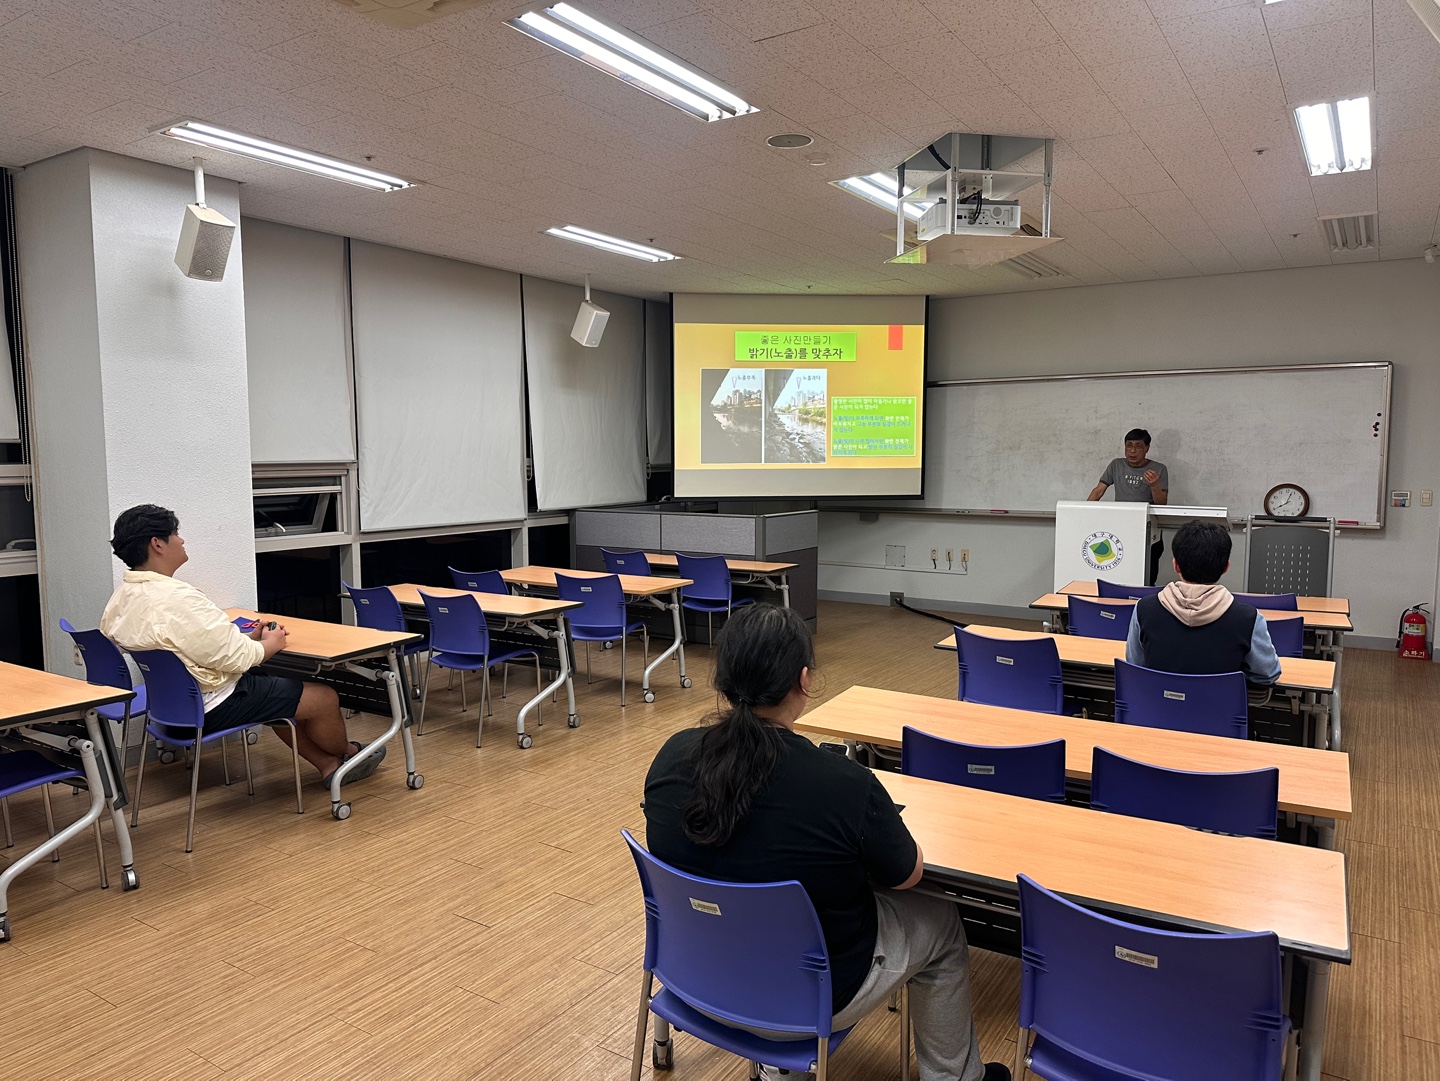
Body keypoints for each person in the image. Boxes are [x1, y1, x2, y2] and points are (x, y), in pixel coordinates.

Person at [643, 604, 1008, 1081]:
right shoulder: (843, 785)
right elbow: (907, 875)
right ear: (804, 679)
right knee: (939, 917)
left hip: (692, 980)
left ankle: (776, 1070)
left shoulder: (670, 756)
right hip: (807, 1004)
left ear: (724, 678)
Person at [101, 504, 383, 787]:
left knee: (276, 688)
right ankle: (350, 754)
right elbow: (238, 659)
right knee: (324, 698)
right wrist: (270, 643)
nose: (182, 540)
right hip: (213, 707)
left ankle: (328, 765)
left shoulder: (122, 598)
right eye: (175, 534)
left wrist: (244, 639)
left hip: (170, 711)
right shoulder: (180, 599)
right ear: (157, 544)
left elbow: (181, 647)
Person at [1125, 520, 1282, 684]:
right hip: (1220, 701)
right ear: (1226, 567)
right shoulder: (1249, 618)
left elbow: (1135, 666)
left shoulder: (1143, 609)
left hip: (1157, 700)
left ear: (1175, 565)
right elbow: (1268, 674)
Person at [1088, 427, 1169, 584]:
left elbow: (1162, 503)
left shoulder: (1159, 469)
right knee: (1119, 570)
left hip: (1148, 529)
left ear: (1147, 448)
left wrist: (1154, 485)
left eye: (1138, 446)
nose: (1132, 451)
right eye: (1129, 446)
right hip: (1121, 528)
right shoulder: (1116, 465)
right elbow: (1098, 491)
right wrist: (1084, 514)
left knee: (1148, 575)